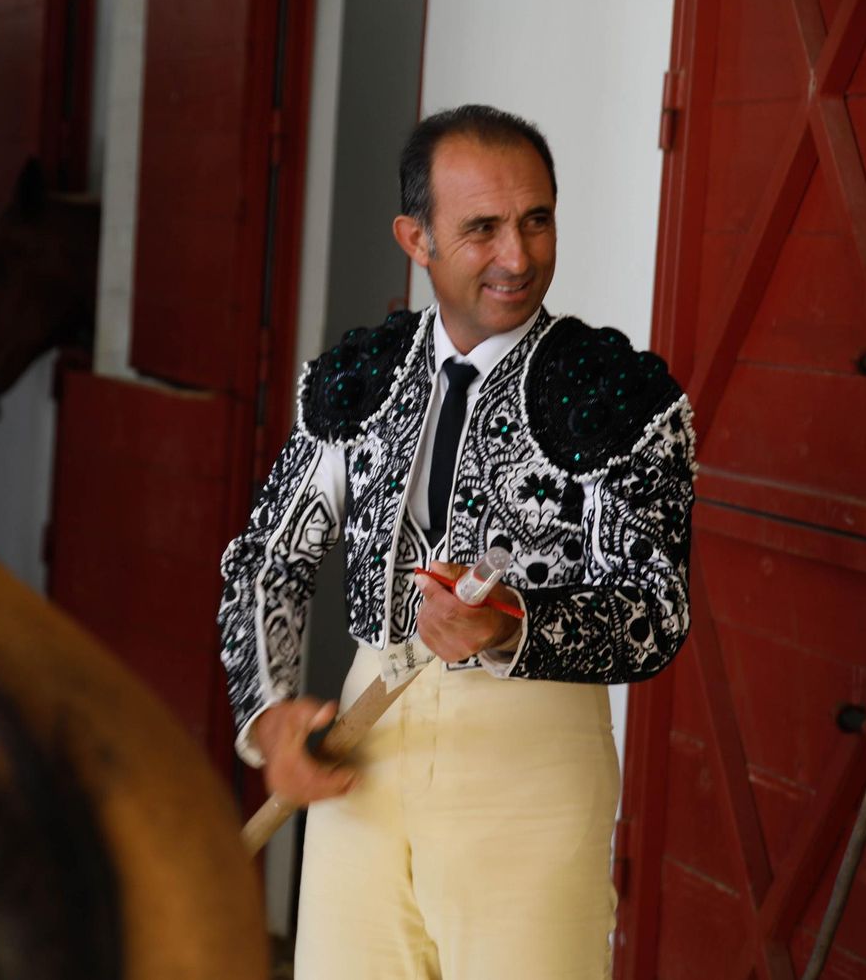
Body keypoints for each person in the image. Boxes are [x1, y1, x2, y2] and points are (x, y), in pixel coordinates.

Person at [217, 105, 695, 979]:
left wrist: (511, 624)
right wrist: (269, 710)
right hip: (364, 756)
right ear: (416, 238)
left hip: (530, 772)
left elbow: (656, 611)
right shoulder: (355, 379)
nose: (518, 257)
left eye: (537, 220)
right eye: (482, 228)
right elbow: (268, 559)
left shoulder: (619, 394)